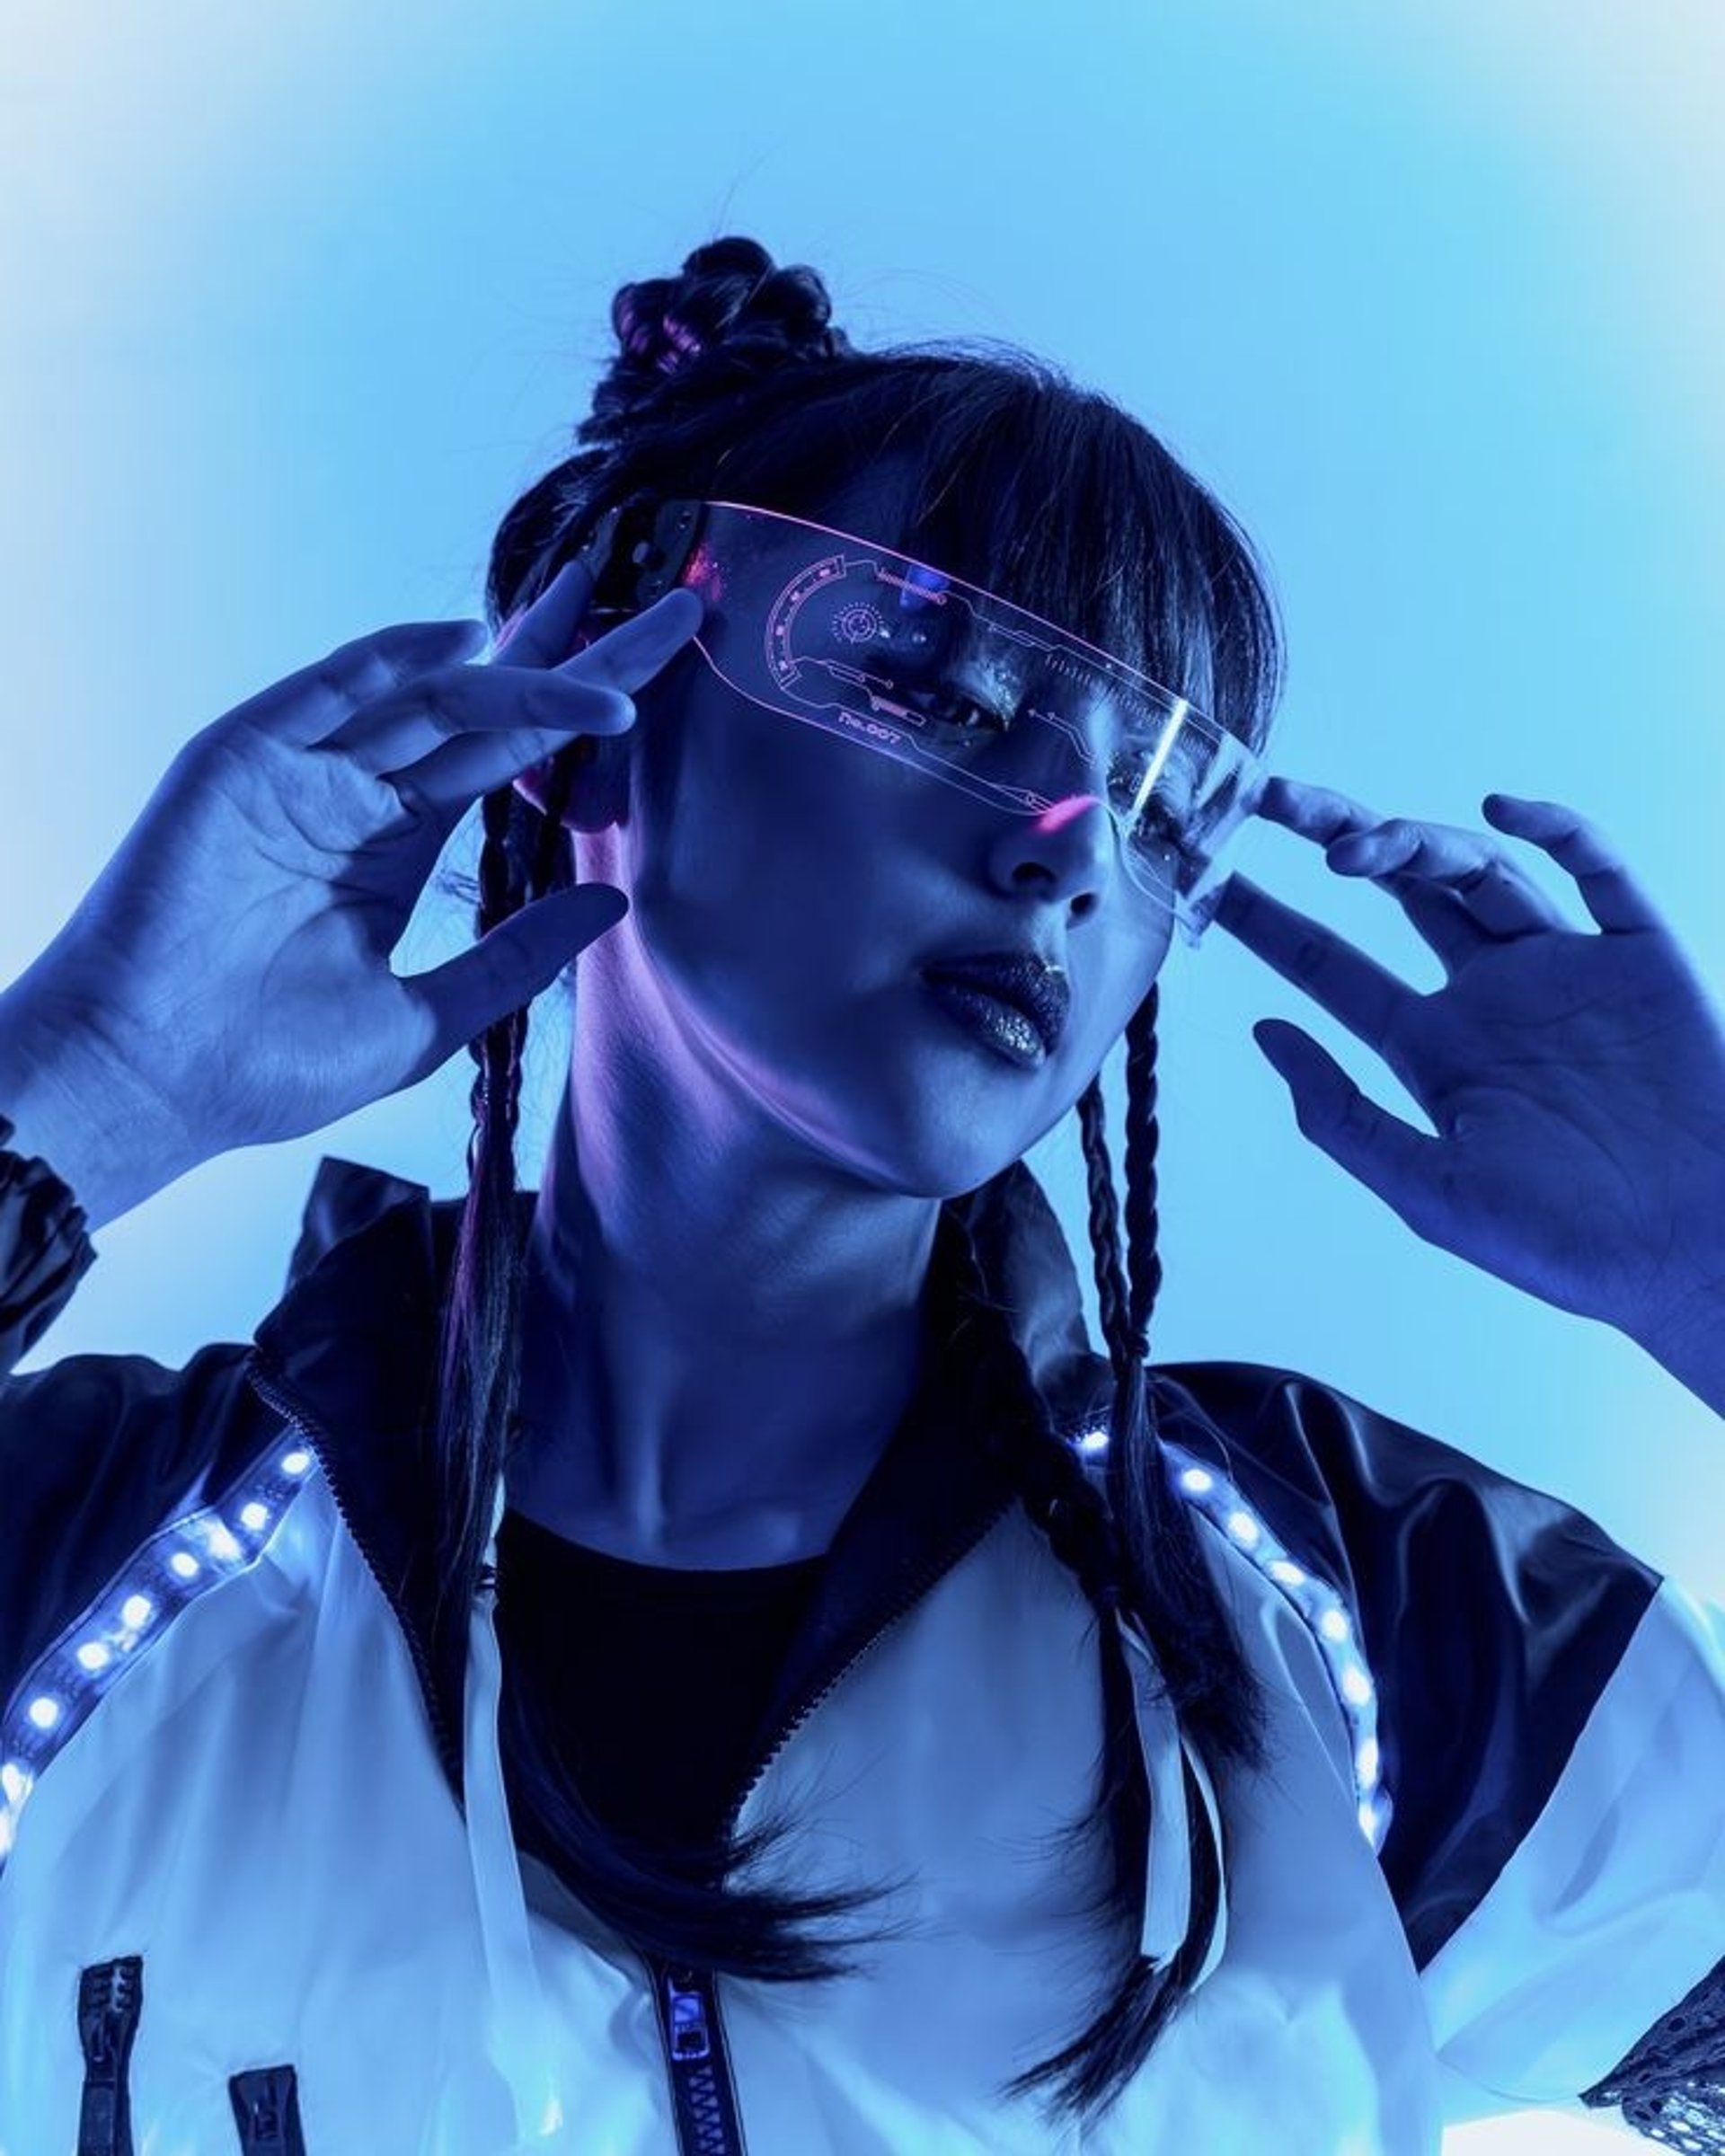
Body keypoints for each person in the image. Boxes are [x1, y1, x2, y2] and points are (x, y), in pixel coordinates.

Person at [0, 234, 1719, 2154]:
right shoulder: (79, 1567)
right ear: (582, 726)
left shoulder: (1375, 1613)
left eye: (1159, 805)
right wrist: (91, 1082)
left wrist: (1714, 1267)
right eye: (935, 691)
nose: (1071, 849)